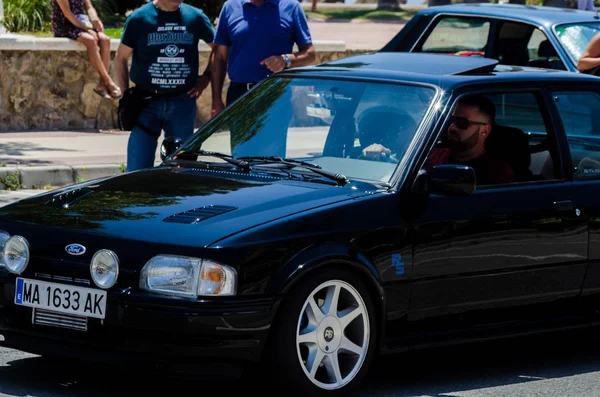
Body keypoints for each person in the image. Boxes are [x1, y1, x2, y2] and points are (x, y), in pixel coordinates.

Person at [114, 0, 218, 172]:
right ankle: (139, 198)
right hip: (145, 102)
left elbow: (219, 49)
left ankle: (178, 199)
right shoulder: (139, 18)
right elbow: (121, 58)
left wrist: (206, 78)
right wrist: (126, 98)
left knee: (183, 167)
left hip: (182, 101)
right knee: (138, 168)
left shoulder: (195, 17)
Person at [362, 95, 516, 185]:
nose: (452, 128)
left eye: (462, 124)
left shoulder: (498, 172)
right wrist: (382, 156)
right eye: (451, 120)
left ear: (484, 131)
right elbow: (400, 173)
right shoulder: (431, 155)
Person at [211, 0, 317, 117]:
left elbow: (310, 53)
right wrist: (216, 100)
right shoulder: (230, 7)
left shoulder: (292, 7)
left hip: (276, 94)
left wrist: (286, 59)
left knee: (274, 136)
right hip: (239, 96)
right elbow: (219, 57)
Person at [51, 0, 121, 100]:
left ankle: (102, 85)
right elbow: (67, 13)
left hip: (82, 24)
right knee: (90, 41)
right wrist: (87, 30)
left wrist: (95, 19)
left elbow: (89, 7)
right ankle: (108, 80)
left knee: (105, 40)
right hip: (65, 24)